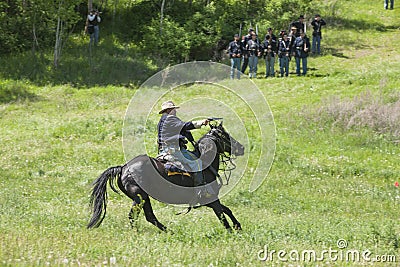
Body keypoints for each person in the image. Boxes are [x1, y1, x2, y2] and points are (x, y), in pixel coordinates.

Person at [157, 101, 210, 197]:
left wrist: (191, 140)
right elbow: (185, 126)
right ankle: (200, 191)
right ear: (169, 110)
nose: (175, 111)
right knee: (197, 163)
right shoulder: (170, 119)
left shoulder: (163, 120)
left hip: (164, 150)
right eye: (174, 109)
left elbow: (182, 129)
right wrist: (201, 122)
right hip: (174, 151)